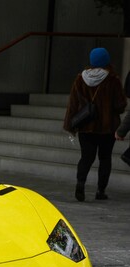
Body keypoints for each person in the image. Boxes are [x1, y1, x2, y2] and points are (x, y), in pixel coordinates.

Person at [63, 47, 127, 201]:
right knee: (105, 158)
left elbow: (73, 103)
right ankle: (100, 190)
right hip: (107, 128)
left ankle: (80, 183)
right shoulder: (113, 79)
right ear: (107, 61)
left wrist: (70, 124)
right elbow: (120, 105)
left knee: (86, 157)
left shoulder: (80, 78)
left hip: (85, 127)